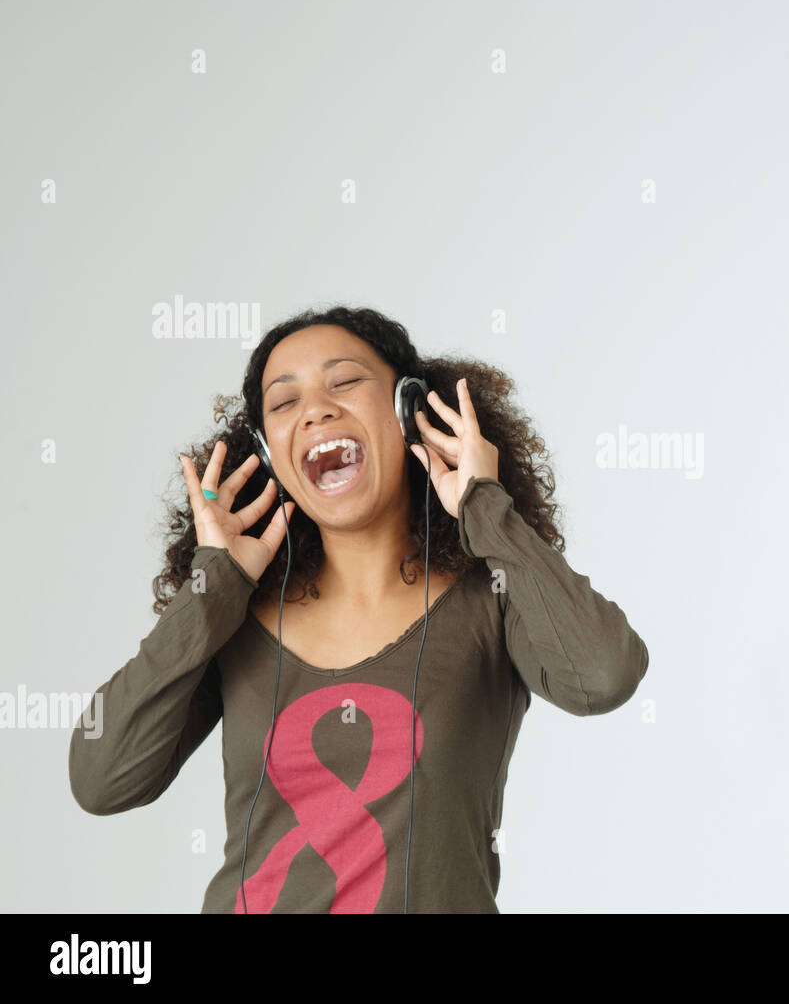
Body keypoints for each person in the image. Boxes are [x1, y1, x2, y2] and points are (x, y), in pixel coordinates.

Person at [67, 305, 649, 913]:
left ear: (408, 410)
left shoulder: (491, 597)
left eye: (344, 382)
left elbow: (603, 677)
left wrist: (485, 507)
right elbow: (103, 780)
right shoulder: (235, 613)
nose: (316, 408)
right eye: (284, 402)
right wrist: (213, 586)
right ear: (268, 453)